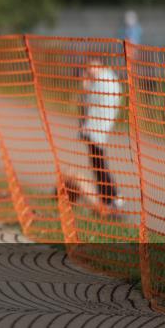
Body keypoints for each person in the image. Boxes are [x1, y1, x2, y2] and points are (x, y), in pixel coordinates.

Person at [66, 59, 125, 213]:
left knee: (99, 165)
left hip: (95, 130)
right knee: (98, 164)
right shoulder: (109, 80)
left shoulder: (101, 81)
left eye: (91, 67)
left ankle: (112, 197)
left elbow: (85, 105)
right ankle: (109, 198)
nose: (89, 71)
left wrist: (85, 86)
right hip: (99, 129)